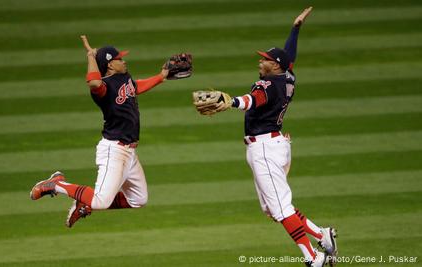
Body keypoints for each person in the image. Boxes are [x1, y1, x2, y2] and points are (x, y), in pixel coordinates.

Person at [193, 7, 337, 267]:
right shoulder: (288, 77)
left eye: (265, 60)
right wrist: (295, 28)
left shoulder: (268, 85)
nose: (260, 62)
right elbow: (289, 55)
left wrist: (231, 102)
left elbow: (252, 100)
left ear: (275, 66)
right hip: (275, 144)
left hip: (265, 150)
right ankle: (322, 234)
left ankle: (312, 256)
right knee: (274, 209)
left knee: (281, 209)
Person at [30, 36, 186, 228]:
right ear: (110, 65)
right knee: (100, 201)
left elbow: (135, 87)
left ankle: (84, 205)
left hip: (129, 152)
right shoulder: (102, 89)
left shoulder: (124, 77)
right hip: (114, 150)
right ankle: (56, 184)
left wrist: (161, 77)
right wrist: (90, 57)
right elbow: (93, 83)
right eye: (119, 59)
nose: (124, 60)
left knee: (138, 199)